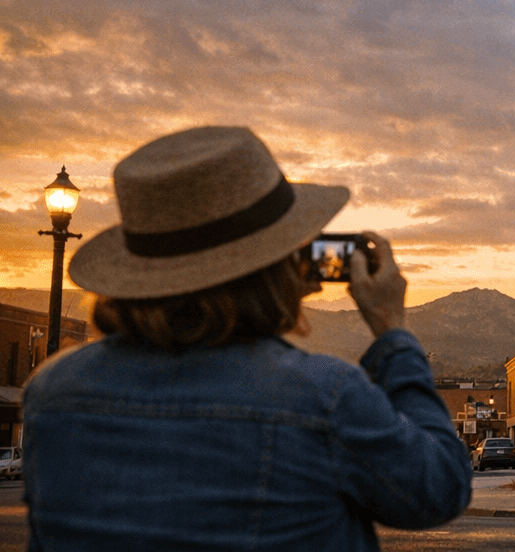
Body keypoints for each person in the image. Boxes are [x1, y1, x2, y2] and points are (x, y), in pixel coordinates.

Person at [22, 126, 472, 551]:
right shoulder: (324, 396)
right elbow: (440, 489)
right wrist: (393, 332)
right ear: (273, 268)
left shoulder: (51, 391)